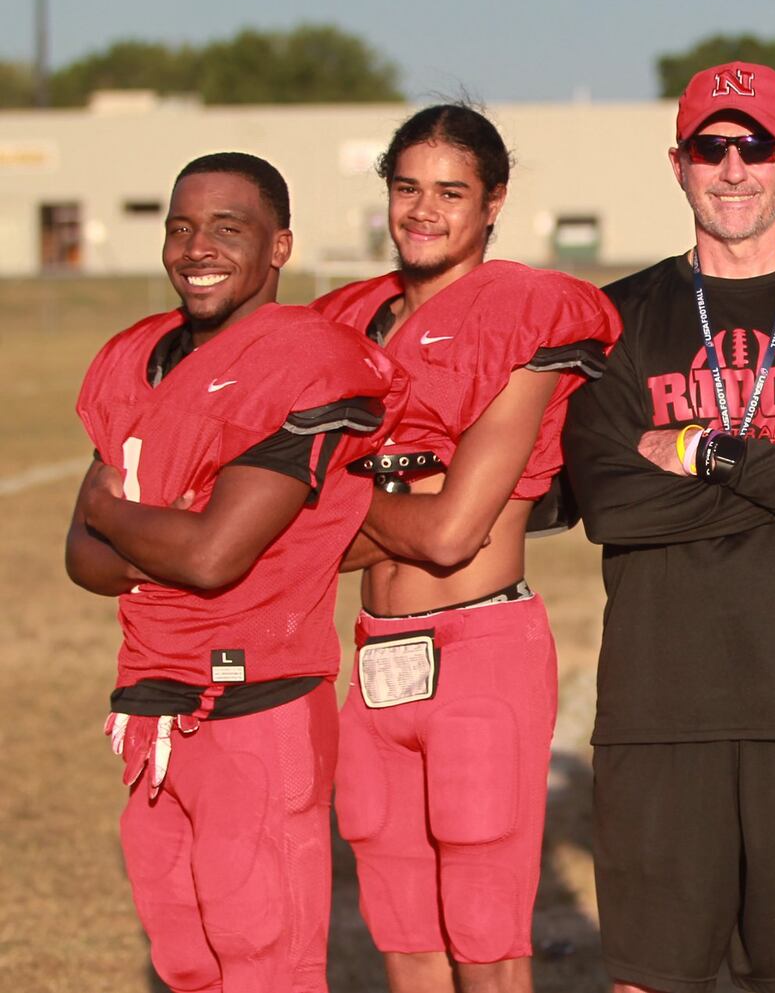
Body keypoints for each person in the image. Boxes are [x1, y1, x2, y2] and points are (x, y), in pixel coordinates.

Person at [561, 61, 775, 993]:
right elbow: (613, 503)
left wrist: (701, 450)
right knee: (652, 980)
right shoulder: (620, 318)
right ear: (677, 164)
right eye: (710, 147)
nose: (733, 168)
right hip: (660, 709)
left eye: (756, 145)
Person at [66, 152, 407, 993]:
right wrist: (156, 539)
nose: (195, 247)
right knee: (186, 963)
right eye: (180, 228)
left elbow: (213, 556)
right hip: (151, 704)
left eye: (227, 227)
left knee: (267, 966)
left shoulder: (307, 358)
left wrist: (119, 519)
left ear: (280, 246)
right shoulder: (135, 356)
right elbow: (80, 560)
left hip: (254, 707)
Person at [312, 104, 619, 993]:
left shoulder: (525, 314)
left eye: (451, 192)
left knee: (487, 943)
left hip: (478, 647)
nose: (424, 209)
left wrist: (341, 510)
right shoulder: (346, 321)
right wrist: (383, 504)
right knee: (403, 935)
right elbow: (297, 534)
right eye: (407, 188)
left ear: (493, 204)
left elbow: (453, 532)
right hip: (373, 657)